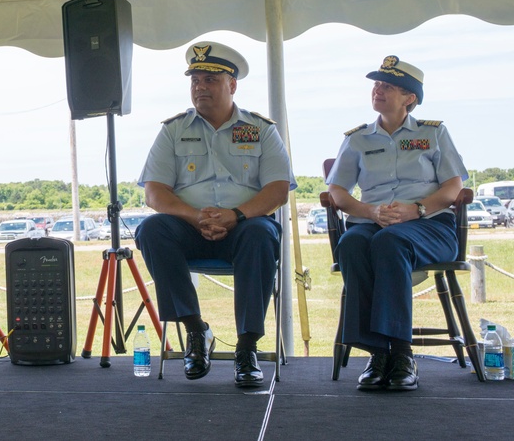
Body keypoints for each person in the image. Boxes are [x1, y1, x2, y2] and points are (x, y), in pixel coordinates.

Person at [134, 42, 294, 387]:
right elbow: (154, 192)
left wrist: (235, 215)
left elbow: (277, 190)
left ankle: (247, 348)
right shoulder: (173, 130)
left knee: (262, 233)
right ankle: (196, 333)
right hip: (190, 229)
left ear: (232, 85)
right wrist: (195, 216)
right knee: (151, 230)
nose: (200, 87)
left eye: (209, 80)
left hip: (244, 229)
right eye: (195, 80)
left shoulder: (261, 129)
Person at [326, 56, 467, 392]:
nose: (378, 89)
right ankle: (377, 354)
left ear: (410, 98)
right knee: (352, 243)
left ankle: (402, 354)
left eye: (387, 86)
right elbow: (337, 190)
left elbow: (453, 186)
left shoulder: (433, 133)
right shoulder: (358, 138)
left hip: (430, 225)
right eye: (376, 84)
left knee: (390, 242)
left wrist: (415, 209)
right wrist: (370, 211)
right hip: (373, 222)